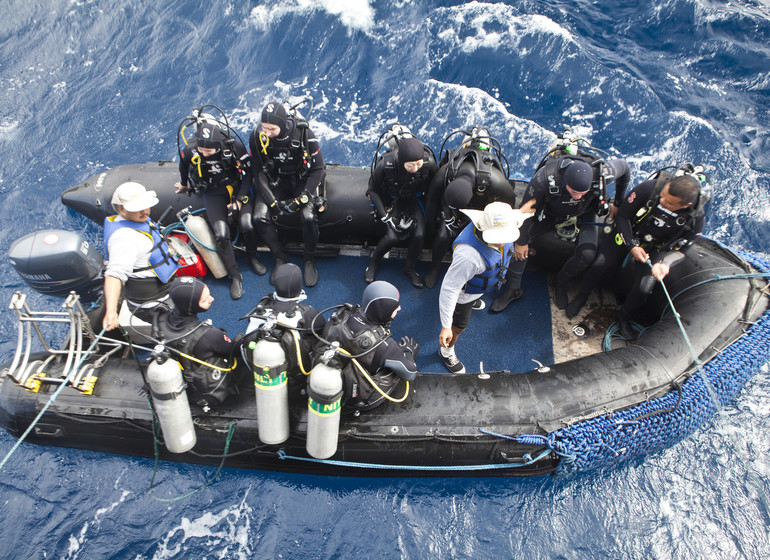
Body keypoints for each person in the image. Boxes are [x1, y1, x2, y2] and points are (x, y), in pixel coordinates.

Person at [565, 171, 707, 338]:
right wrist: (632, 244)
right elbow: (623, 216)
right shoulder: (650, 189)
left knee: (644, 287)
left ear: (684, 205)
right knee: (600, 263)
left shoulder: (696, 220)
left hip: (653, 248)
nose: (662, 201)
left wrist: (665, 264)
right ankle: (581, 296)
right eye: (662, 196)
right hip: (628, 234)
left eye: (668, 202)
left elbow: (682, 251)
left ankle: (623, 316)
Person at [490, 147, 631, 313]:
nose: (577, 196)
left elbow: (625, 167)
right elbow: (526, 210)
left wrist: (618, 202)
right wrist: (521, 242)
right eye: (573, 192)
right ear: (565, 182)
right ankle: (513, 289)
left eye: (582, 192)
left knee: (587, 254)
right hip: (551, 214)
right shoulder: (544, 179)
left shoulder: (602, 174)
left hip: (585, 213)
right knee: (518, 243)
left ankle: (560, 282)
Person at [438, 202, 531, 373]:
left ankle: (474, 299)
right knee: (459, 326)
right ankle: (446, 351)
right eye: (497, 237)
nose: (502, 243)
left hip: (479, 288)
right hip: (463, 295)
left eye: (506, 235)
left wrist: (528, 207)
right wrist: (446, 326)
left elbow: (521, 214)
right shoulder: (468, 257)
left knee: (479, 285)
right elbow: (449, 289)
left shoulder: (507, 221)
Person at [175, 119, 264, 300]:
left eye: (209, 151)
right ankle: (235, 276)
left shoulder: (234, 148)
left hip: (236, 187)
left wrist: (239, 201)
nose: (205, 154)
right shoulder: (190, 151)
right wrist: (184, 185)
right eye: (202, 150)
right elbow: (183, 166)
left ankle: (251, 257)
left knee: (247, 224)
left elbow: (247, 176)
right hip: (213, 192)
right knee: (221, 234)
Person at [424, 127, 516, 289]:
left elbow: (509, 203)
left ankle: (478, 274)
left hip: (482, 213)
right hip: (452, 212)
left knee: (482, 242)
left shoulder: (494, 180)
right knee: (442, 235)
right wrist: (432, 224)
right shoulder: (447, 173)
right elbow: (431, 199)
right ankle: (435, 267)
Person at [249, 101, 326, 287]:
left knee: (308, 217)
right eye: (264, 127)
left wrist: (302, 198)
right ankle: (279, 257)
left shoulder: (305, 135)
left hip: (301, 180)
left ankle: (309, 260)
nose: (266, 133)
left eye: (272, 129)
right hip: (276, 180)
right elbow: (258, 171)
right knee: (259, 217)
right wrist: (272, 202)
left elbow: (318, 169)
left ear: (283, 125)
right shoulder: (257, 137)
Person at [317, 281, 419, 412]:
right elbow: (410, 373)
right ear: (384, 310)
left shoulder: (343, 315)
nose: (399, 308)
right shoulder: (385, 346)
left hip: (323, 381)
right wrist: (409, 351)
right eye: (395, 306)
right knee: (394, 371)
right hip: (353, 398)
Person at [102, 181, 180, 331]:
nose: (145, 211)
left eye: (146, 205)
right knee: (174, 329)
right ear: (121, 209)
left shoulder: (136, 220)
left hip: (165, 288)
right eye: (137, 208)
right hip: (152, 302)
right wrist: (111, 312)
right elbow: (114, 274)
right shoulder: (124, 239)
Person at [158, 277, 243, 408]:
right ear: (190, 305)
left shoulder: (160, 318)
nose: (212, 298)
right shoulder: (208, 335)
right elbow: (235, 350)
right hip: (203, 385)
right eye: (204, 299)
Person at [366, 133, 437, 287]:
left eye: (418, 164)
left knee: (419, 234)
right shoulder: (385, 165)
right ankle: (373, 263)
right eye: (411, 165)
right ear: (401, 161)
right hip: (393, 200)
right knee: (391, 237)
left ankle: (409, 268)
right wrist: (385, 216)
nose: (415, 169)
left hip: (414, 199)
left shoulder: (428, 163)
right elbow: (372, 191)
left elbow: (434, 187)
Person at [243, 263, 326, 389]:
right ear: (298, 287)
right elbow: (324, 331)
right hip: (295, 379)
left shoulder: (259, 310)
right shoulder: (308, 314)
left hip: (261, 373)